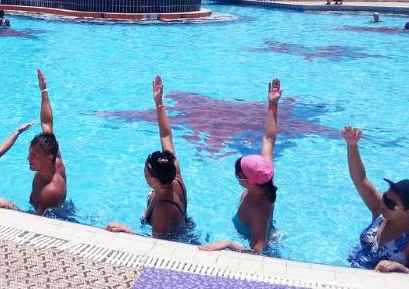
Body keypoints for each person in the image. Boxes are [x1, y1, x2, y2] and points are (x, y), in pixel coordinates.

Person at [200, 78, 282, 254]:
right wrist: (273, 105)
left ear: (250, 181)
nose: (236, 176)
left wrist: (228, 244)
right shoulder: (265, 177)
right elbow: (269, 138)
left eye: (239, 174)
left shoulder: (259, 211)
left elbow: (256, 253)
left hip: (265, 247)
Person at [341, 126, 409, 275]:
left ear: (407, 211)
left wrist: (399, 268)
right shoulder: (380, 211)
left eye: (391, 204)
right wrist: (352, 145)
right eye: (385, 197)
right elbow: (360, 179)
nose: (383, 204)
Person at [106, 75, 188, 238]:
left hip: (175, 240)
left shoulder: (163, 211)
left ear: (153, 180)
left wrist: (127, 230)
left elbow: (155, 245)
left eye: (145, 172)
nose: (144, 173)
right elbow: (166, 135)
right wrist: (159, 103)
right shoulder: (174, 175)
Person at [0, 69, 67, 214]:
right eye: (30, 153)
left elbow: (35, 220)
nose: (28, 158)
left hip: (56, 216)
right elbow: (47, 123)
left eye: (34, 155)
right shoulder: (53, 156)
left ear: (48, 158)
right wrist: (44, 90)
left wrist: (9, 205)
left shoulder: (50, 191)